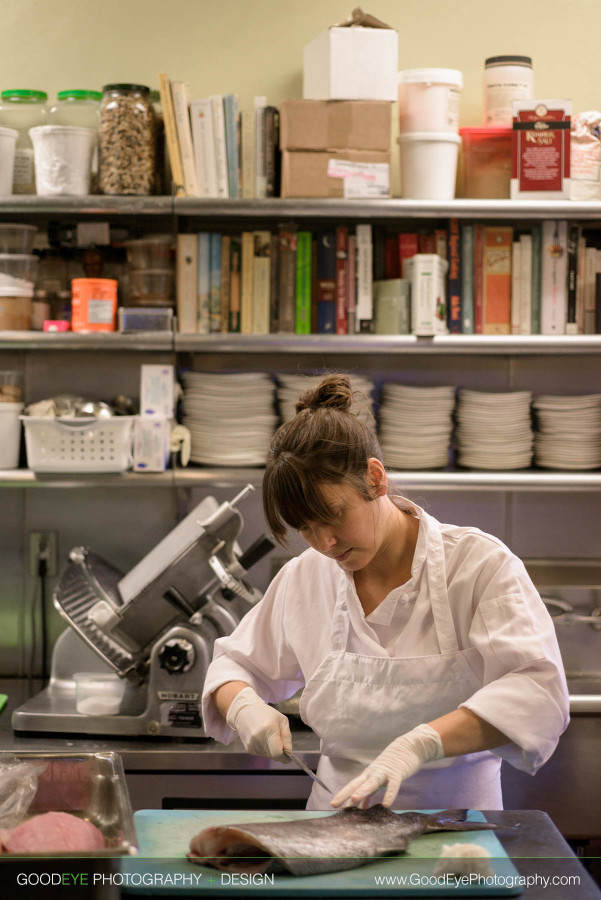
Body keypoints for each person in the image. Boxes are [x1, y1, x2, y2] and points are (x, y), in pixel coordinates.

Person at [201, 374, 570, 811]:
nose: (325, 544)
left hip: (457, 833)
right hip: (334, 834)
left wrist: (421, 744)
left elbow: (538, 692)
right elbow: (233, 665)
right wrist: (244, 706)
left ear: (375, 479)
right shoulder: (307, 577)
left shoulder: (479, 566)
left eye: (332, 517)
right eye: (306, 529)